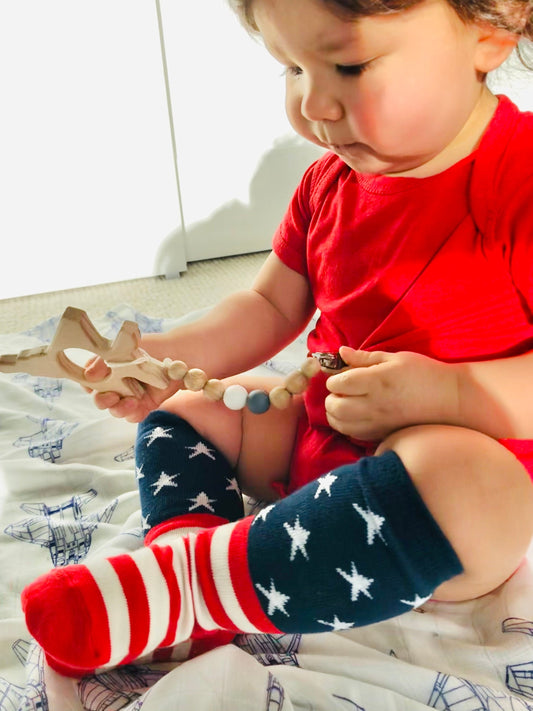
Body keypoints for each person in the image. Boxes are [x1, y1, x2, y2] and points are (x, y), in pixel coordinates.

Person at [21, 0, 533, 678]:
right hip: (314, 442)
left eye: (347, 65)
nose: (312, 104)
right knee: (190, 415)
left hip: (438, 491)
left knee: (468, 484)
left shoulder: (517, 179)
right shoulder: (327, 184)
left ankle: (190, 591)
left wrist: (450, 390)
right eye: (290, 67)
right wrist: (171, 360)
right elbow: (266, 304)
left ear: (490, 31)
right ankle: (195, 551)